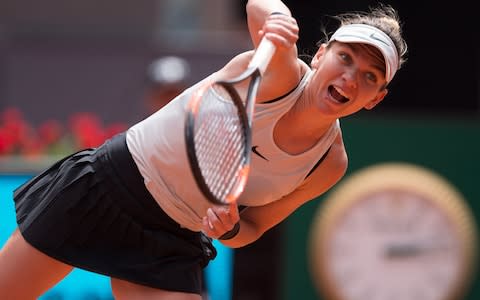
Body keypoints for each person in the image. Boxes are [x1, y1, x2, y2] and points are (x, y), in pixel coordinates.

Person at [0, 0, 408, 299]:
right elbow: (256, 7)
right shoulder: (279, 74)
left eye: (369, 75)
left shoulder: (329, 164)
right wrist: (277, 17)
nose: (351, 77)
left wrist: (228, 227)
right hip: (107, 188)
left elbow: (253, 228)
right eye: (345, 57)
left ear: (375, 97)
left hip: (169, 240)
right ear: (320, 55)